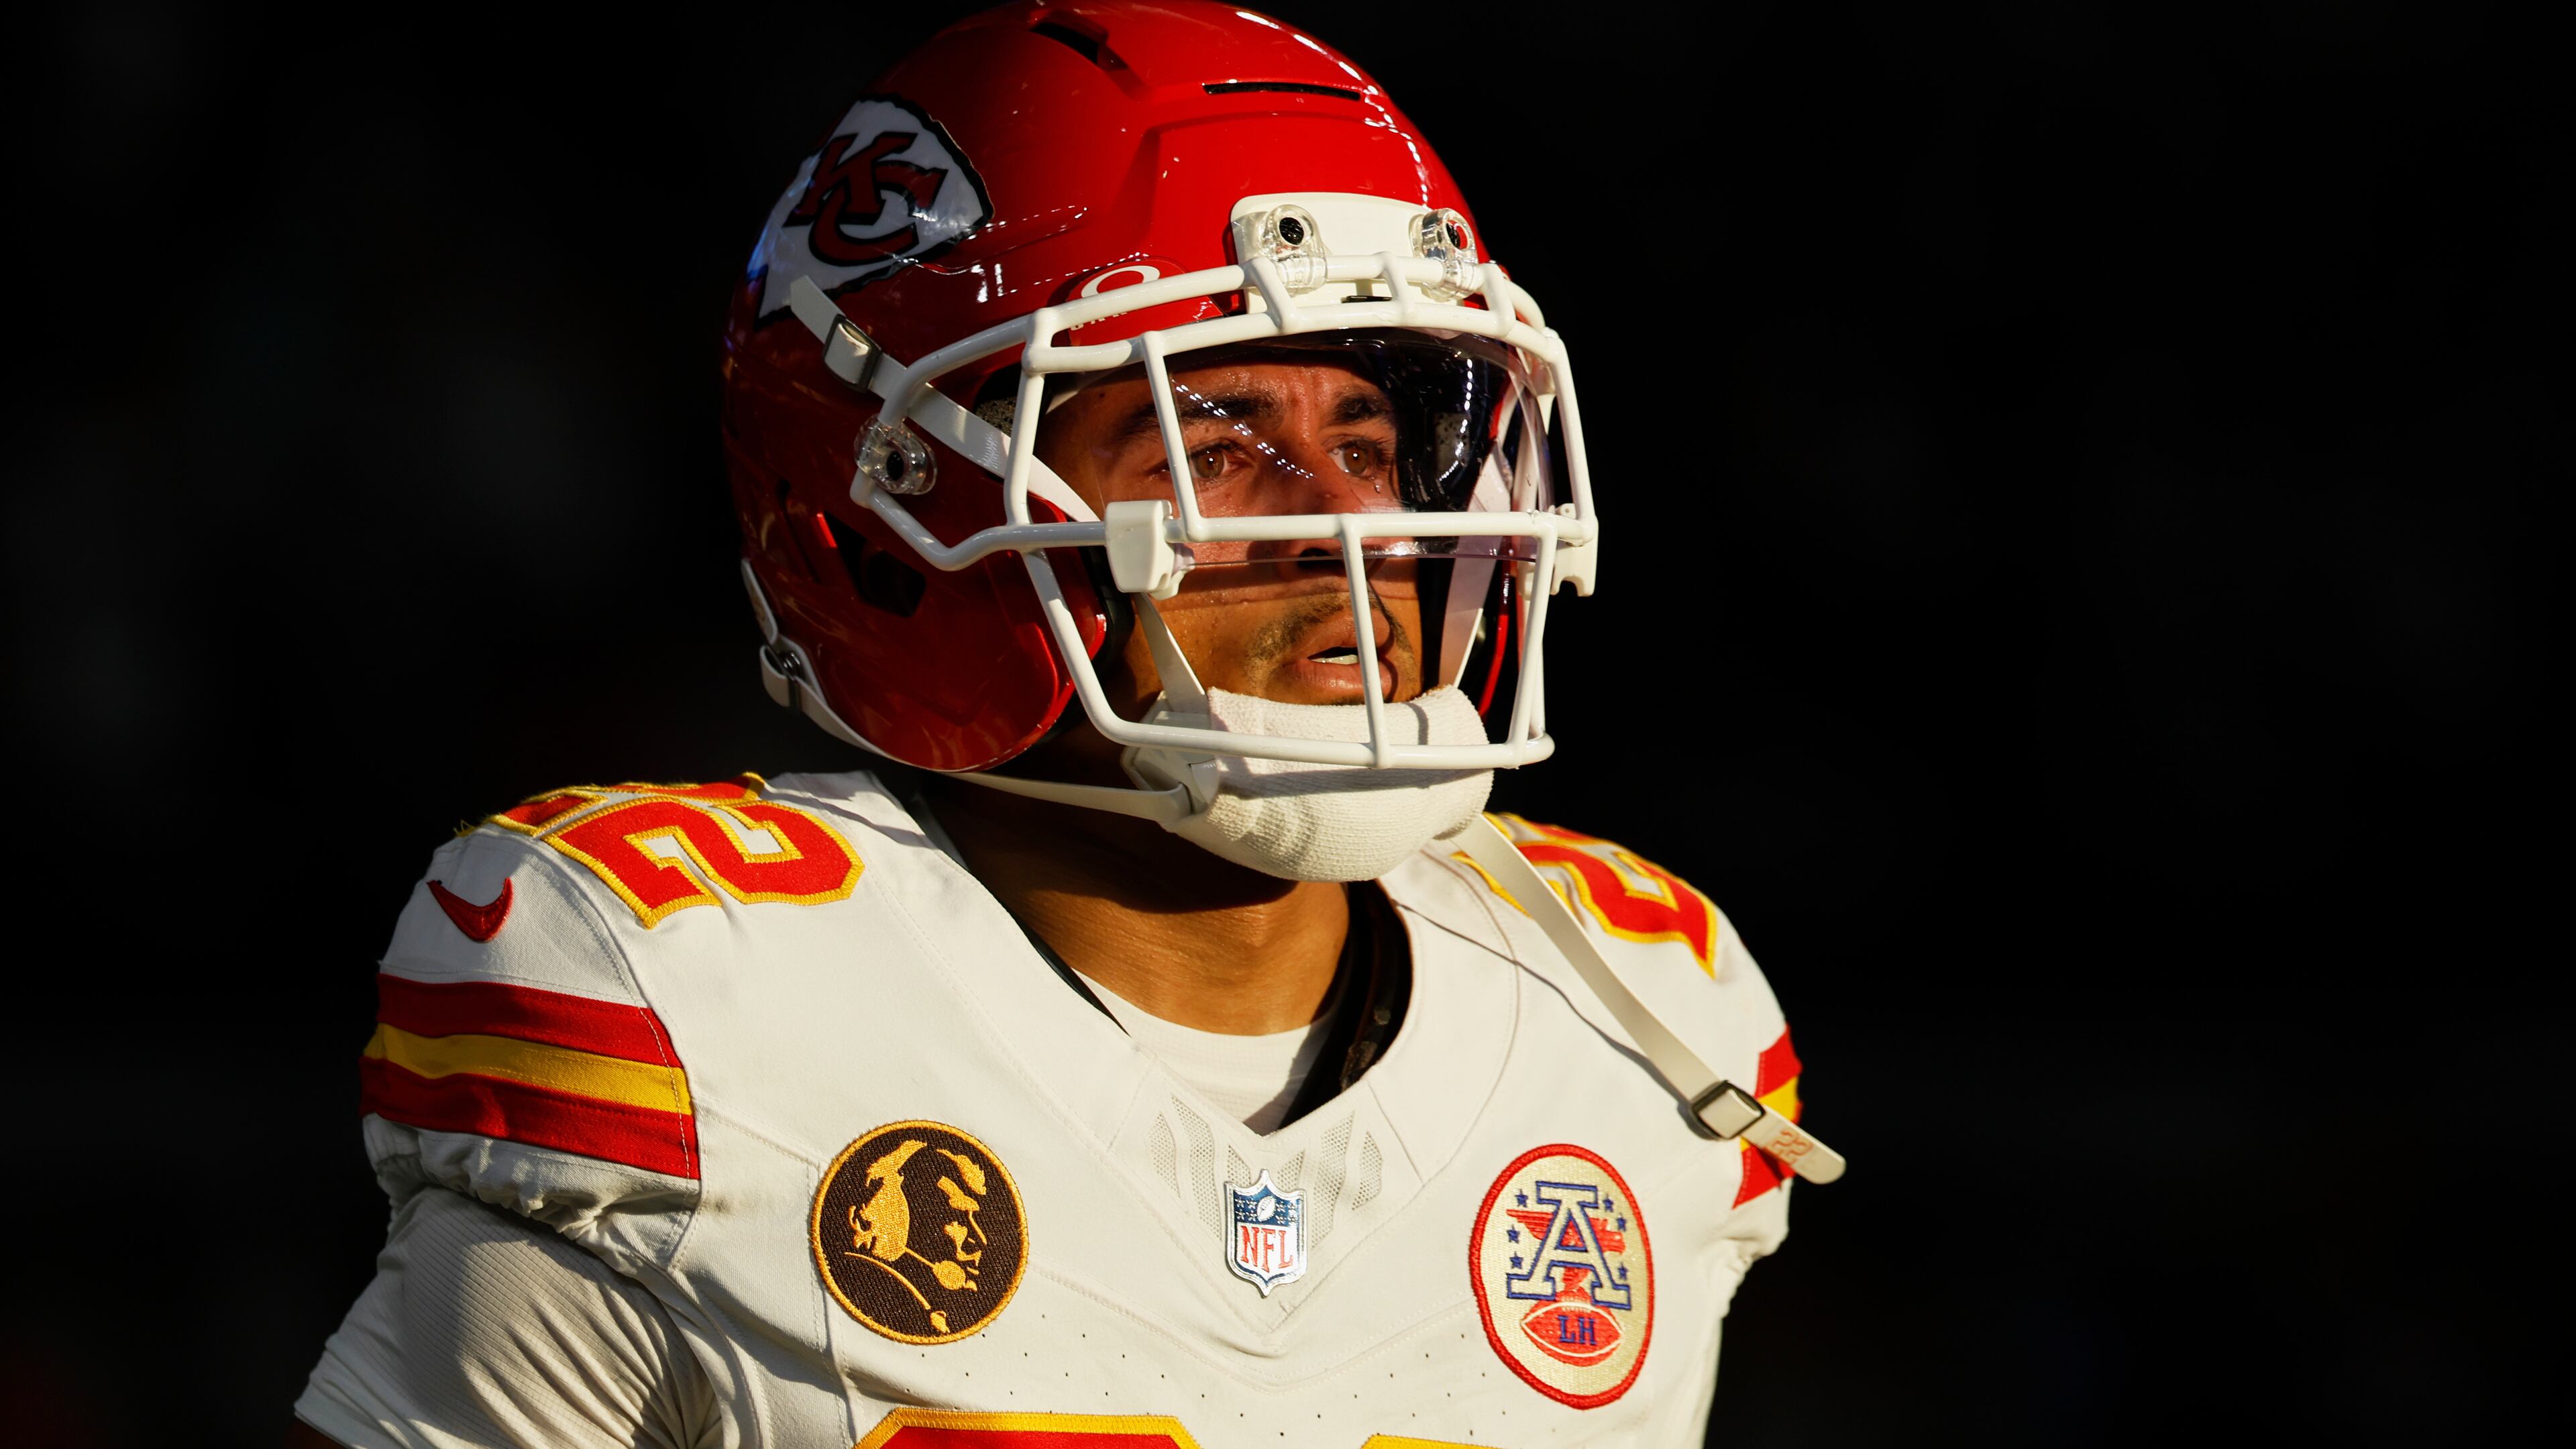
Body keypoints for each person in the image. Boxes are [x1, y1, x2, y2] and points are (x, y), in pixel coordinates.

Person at [290, 4, 1842, 1445]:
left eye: (1370, 439)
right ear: (894, 515)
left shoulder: (1633, 1025)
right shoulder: (695, 1000)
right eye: (1212, 441)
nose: (1350, 525)